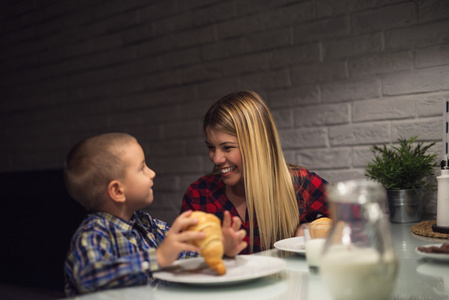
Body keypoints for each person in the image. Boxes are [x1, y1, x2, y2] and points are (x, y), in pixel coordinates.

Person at [63, 133, 246, 296]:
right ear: (118, 191)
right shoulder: (93, 234)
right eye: (142, 168)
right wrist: (157, 259)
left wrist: (219, 250)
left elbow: (183, 255)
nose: (152, 173)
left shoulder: (146, 223)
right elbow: (88, 278)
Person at [181, 91, 329, 254]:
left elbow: (354, 221)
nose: (216, 159)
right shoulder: (198, 194)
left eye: (227, 148)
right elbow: (184, 261)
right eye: (211, 147)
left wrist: (311, 228)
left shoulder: (300, 185)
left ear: (256, 145)